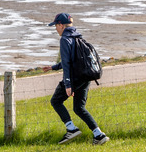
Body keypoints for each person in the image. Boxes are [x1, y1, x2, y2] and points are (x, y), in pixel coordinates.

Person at [46, 13, 109, 145]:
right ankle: (99, 135)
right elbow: (70, 60)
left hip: (74, 78)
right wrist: (54, 67)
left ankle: (71, 129)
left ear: (61, 25)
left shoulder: (64, 39)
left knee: (56, 101)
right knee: (79, 108)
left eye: (56, 26)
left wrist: (68, 85)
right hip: (85, 76)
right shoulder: (77, 37)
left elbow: (67, 64)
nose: (56, 29)